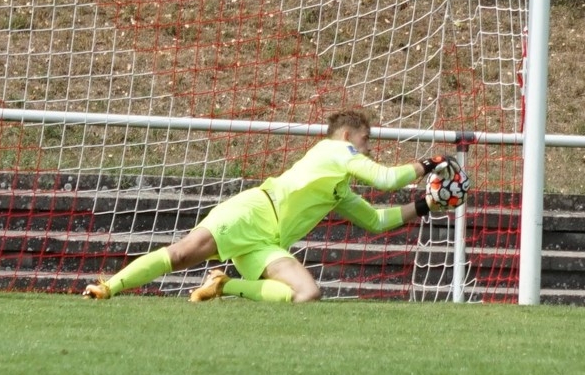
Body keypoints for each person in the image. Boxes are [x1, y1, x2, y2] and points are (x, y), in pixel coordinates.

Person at [82, 109, 461, 303]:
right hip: (252, 213)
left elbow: (376, 220)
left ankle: (224, 284)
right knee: (182, 254)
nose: (368, 147)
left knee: (307, 294)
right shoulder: (335, 149)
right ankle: (107, 288)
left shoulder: (337, 186)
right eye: (366, 140)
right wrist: (433, 161)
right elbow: (386, 179)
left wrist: (427, 204)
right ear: (347, 136)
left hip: (268, 242)